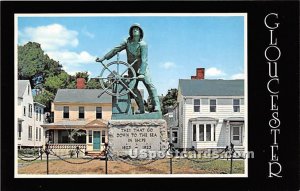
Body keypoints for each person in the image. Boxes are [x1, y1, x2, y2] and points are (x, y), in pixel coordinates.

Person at [96, 23, 161, 114]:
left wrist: (142, 73)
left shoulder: (143, 44)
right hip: (132, 69)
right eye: (133, 29)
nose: (135, 30)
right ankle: (141, 108)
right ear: (131, 32)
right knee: (132, 88)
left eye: (137, 29)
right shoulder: (127, 42)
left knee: (150, 85)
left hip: (143, 67)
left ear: (140, 32)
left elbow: (144, 59)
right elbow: (115, 49)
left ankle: (157, 106)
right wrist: (104, 57)